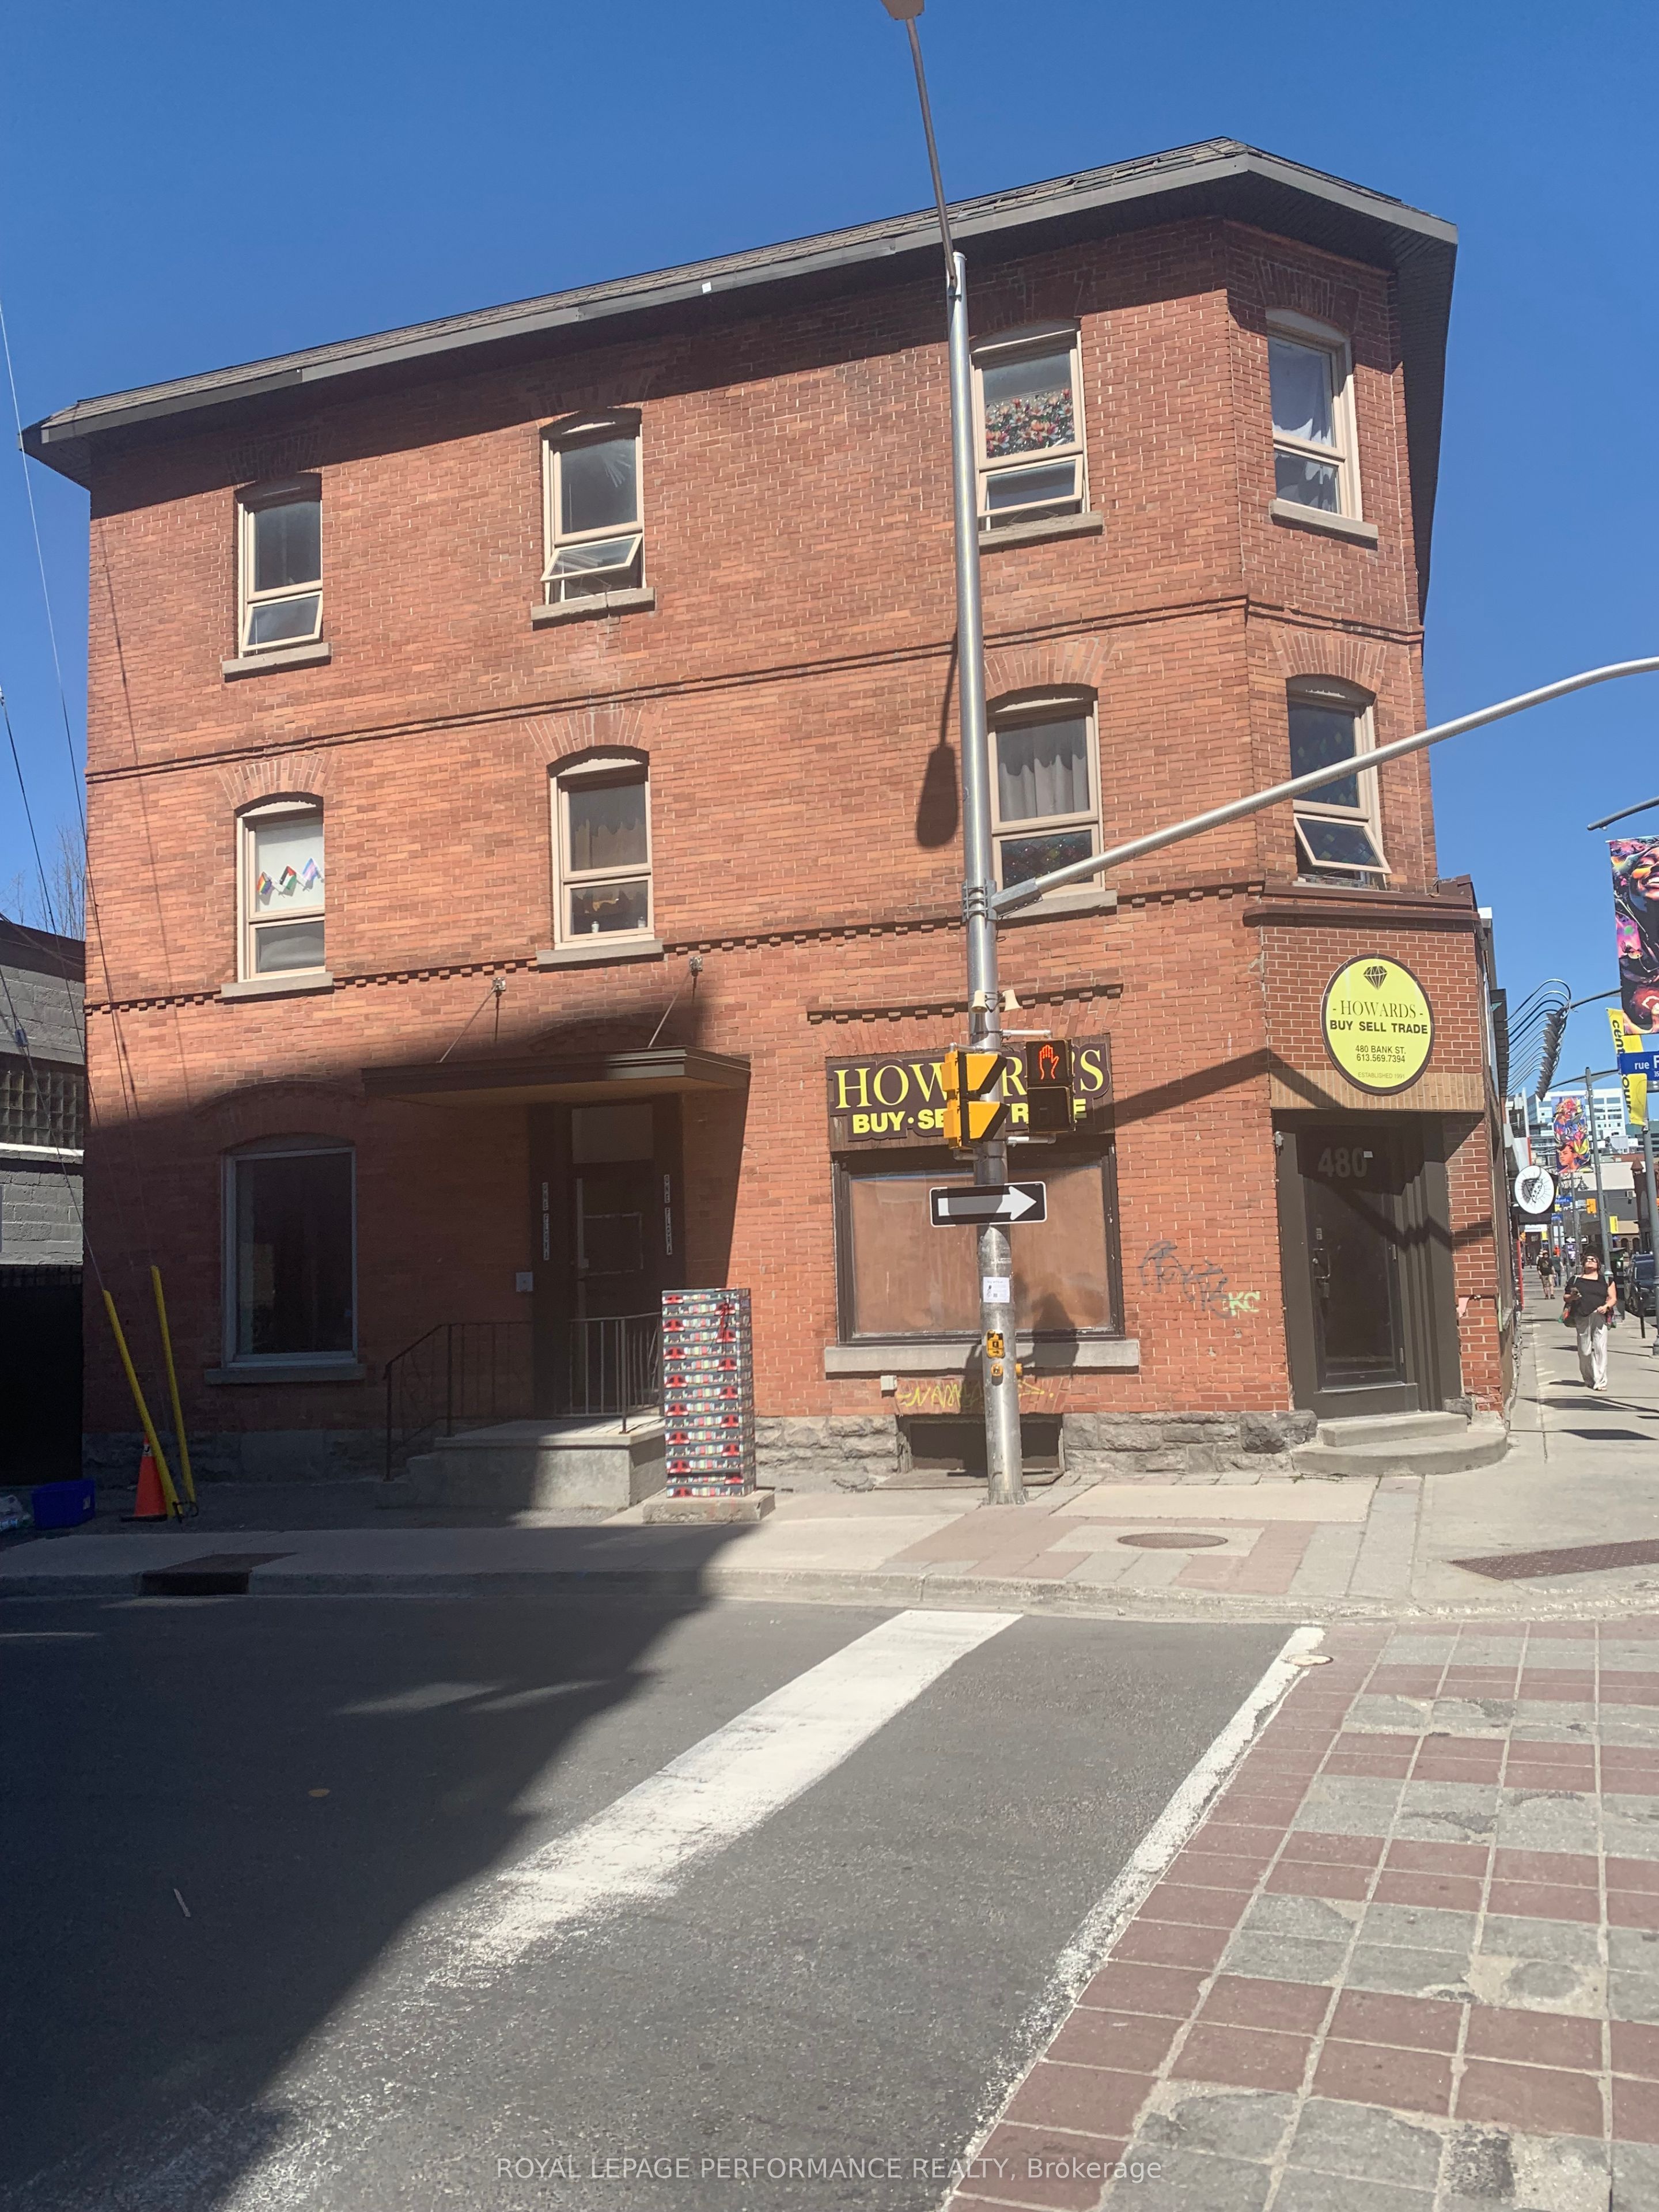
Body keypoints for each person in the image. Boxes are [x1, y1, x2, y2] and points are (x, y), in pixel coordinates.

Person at [1563, 1247, 1617, 1391]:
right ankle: (1588, 1378)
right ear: (1583, 1264)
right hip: (1582, 1316)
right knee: (1585, 1351)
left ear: (1598, 1264)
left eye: (1593, 1260)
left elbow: (1613, 1298)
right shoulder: (1575, 1280)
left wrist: (1606, 1307)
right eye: (1587, 1260)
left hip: (1600, 1316)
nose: (1590, 1262)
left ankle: (1600, 1381)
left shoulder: (1606, 1280)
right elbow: (1566, 1297)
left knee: (1600, 1349)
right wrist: (1573, 1297)